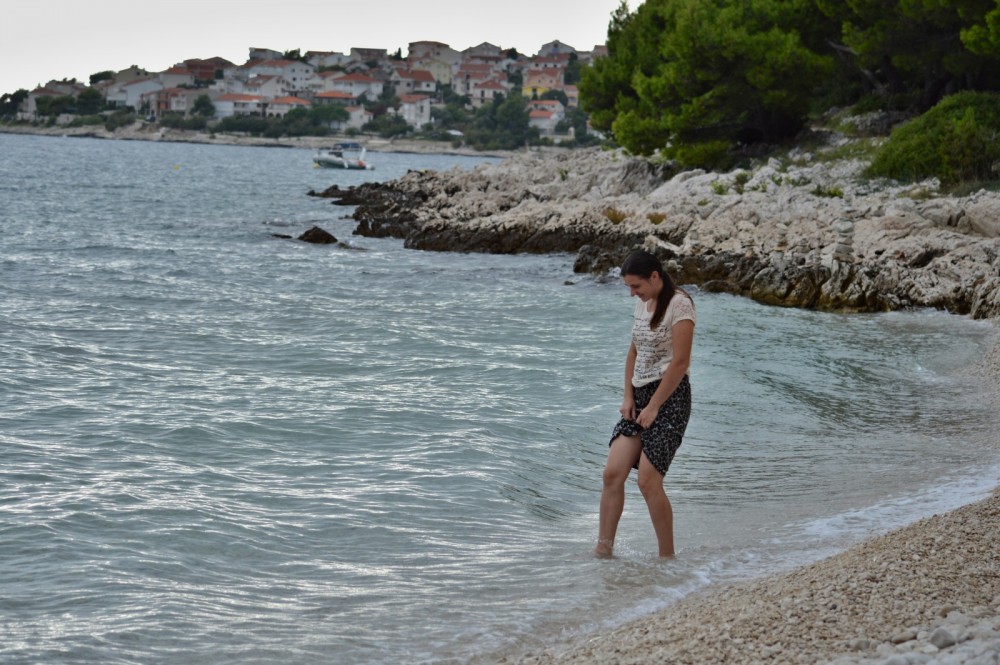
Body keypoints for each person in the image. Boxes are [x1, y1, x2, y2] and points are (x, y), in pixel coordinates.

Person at [594, 250, 695, 558]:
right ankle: (603, 551)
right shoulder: (642, 303)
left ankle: (667, 558)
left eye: (635, 286)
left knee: (648, 481)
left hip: (670, 399)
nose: (632, 293)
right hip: (638, 397)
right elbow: (634, 353)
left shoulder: (680, 304)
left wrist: (653, 407)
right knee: (612, 473)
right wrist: (628, 397)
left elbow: (680, 363)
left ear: (654, 276)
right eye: (628, 287)